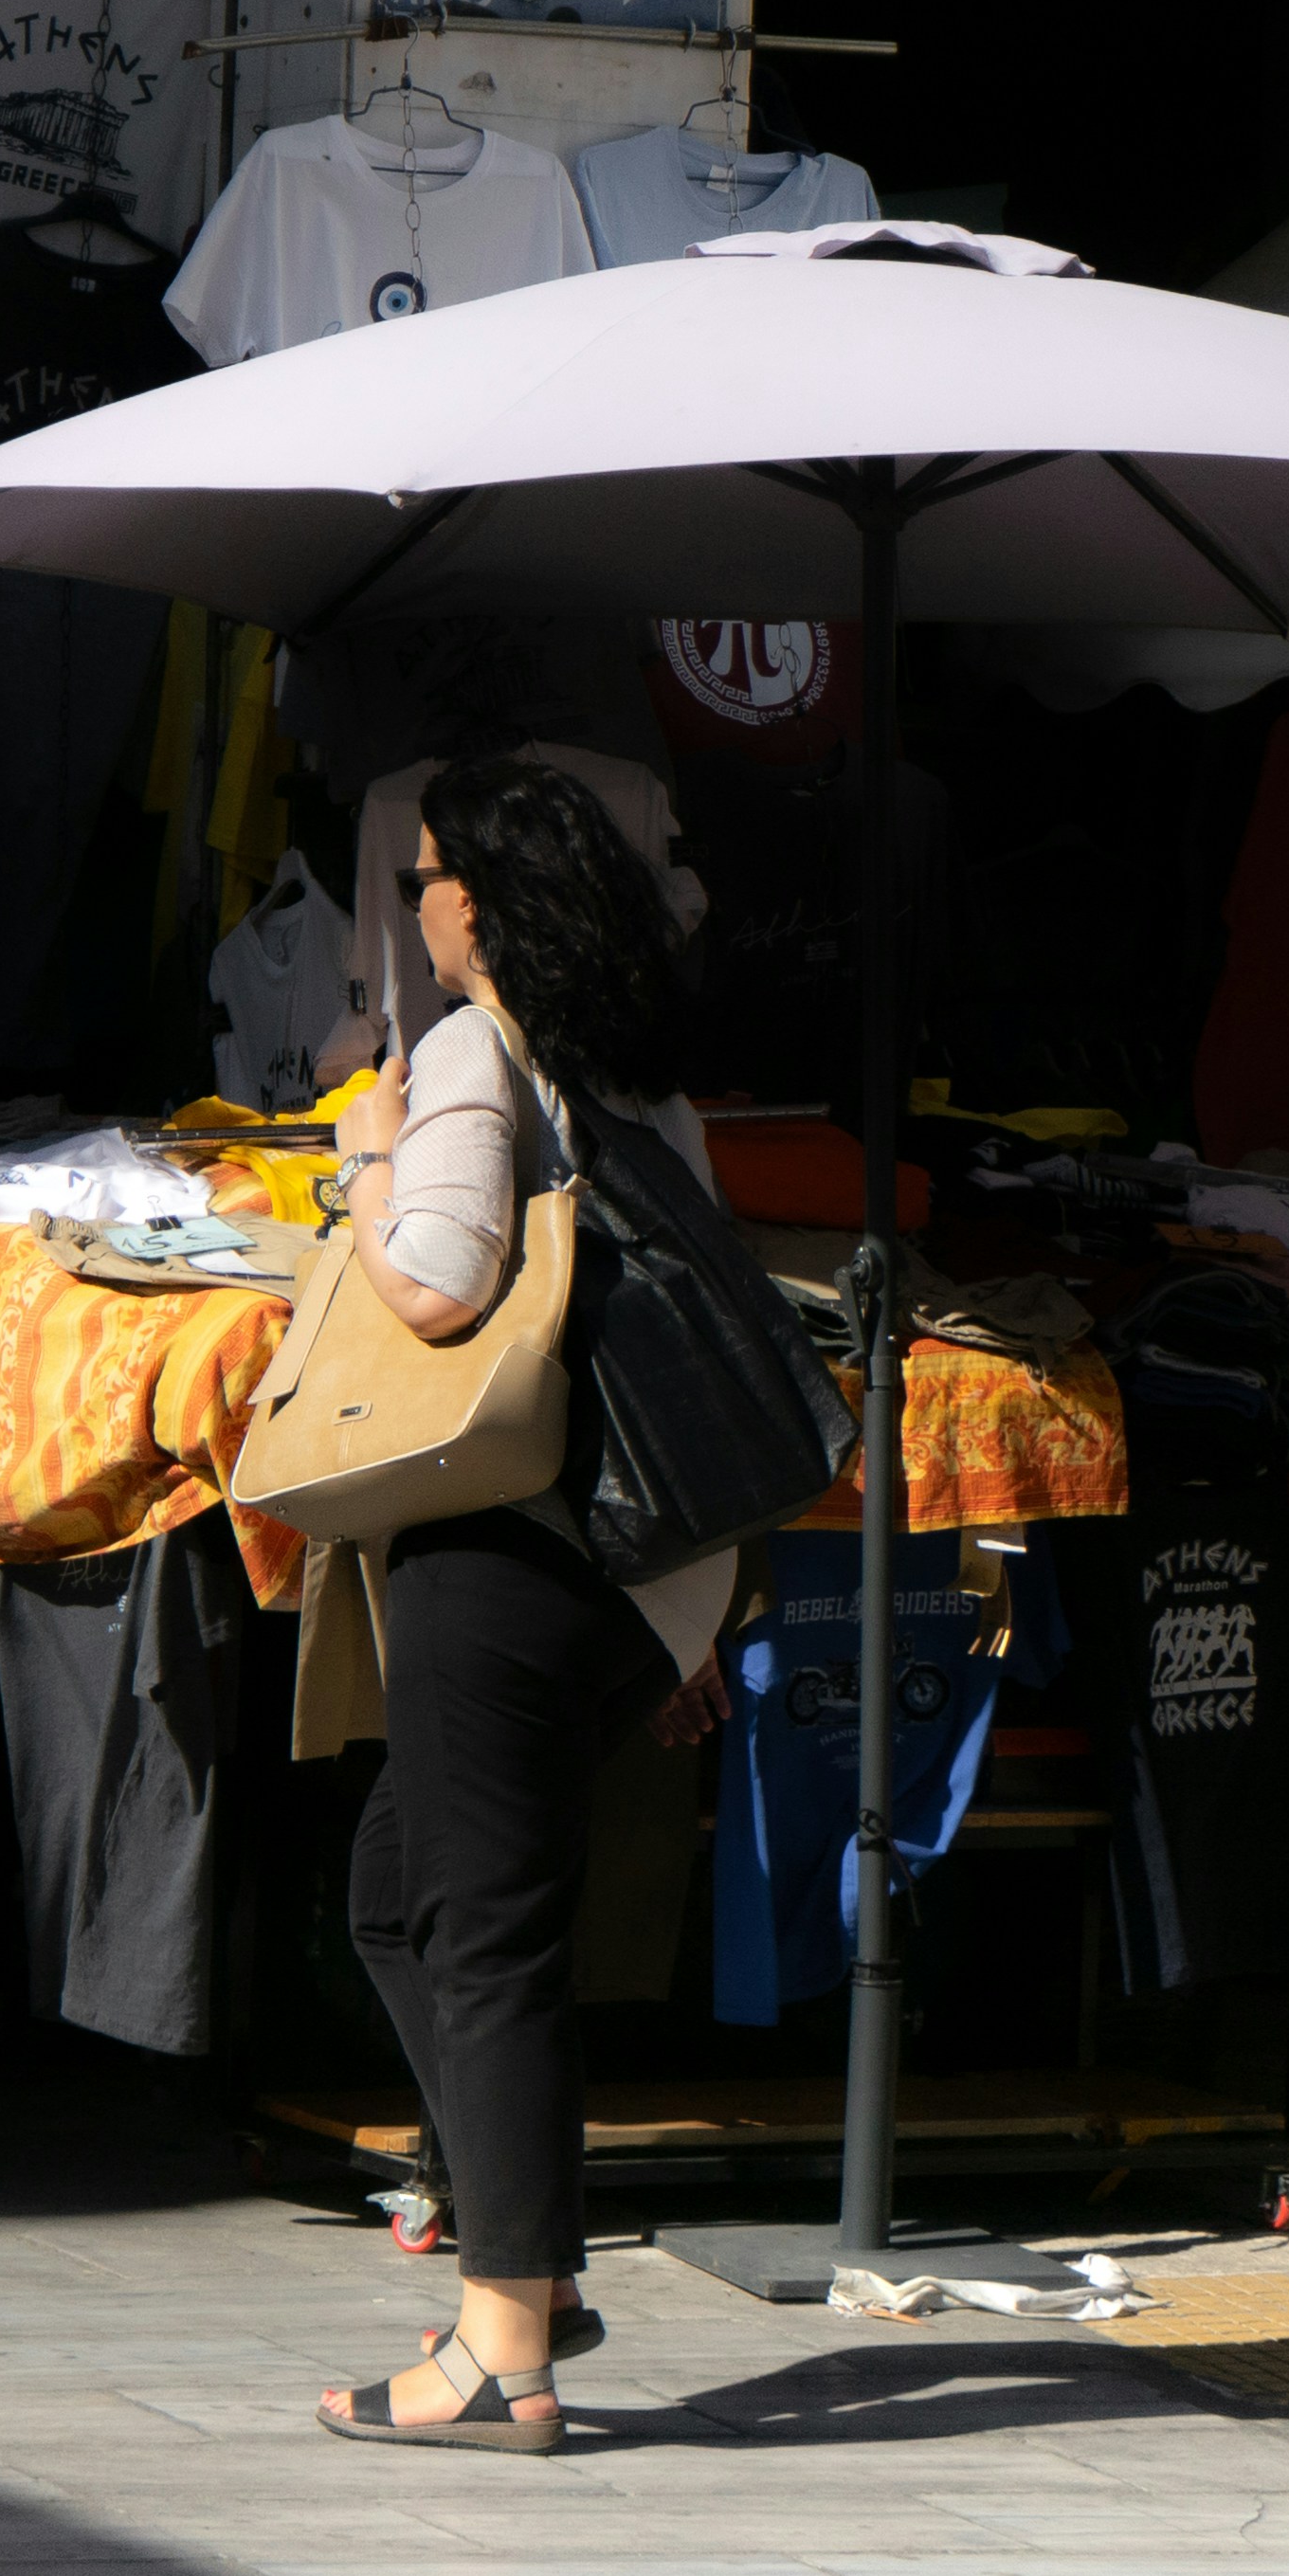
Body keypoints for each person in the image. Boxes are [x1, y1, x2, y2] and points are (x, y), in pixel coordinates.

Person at [315, 753, 740, 2456]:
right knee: (400, 1899)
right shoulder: (644, 1082)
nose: (413, 900)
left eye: (424, 874)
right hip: (644, 1553)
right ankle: (533, 2266)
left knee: (481, 1935)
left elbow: (433, 1288)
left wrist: (365, 1161)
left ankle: (503, 2354)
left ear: (472, 902)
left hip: (509, 1536)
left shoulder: (472, 1049)